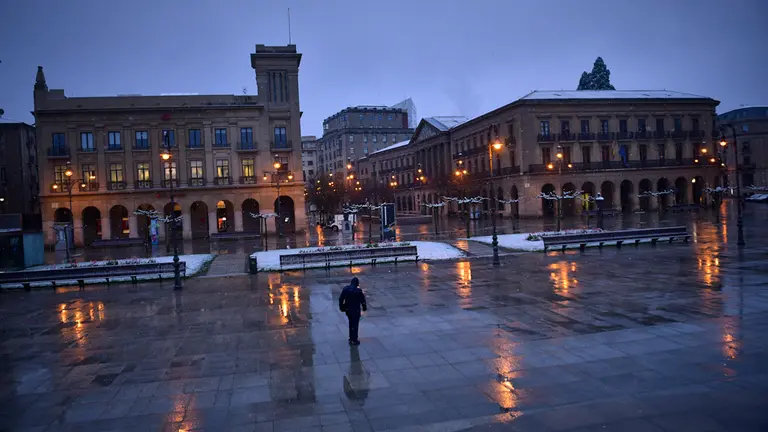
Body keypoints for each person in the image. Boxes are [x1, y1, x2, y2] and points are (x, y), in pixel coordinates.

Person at [339, 277, 367, 345]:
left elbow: (341, 299)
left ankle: (351, 337)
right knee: (355, 324)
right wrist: (364, 308)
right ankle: (354, 339)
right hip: (356, 310)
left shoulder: (346, 289)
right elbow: (363, 301)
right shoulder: (358, 291)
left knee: (351, 323)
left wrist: (342, 307)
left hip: (348, 309)